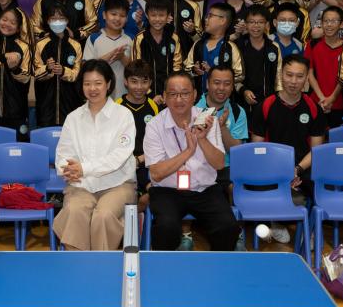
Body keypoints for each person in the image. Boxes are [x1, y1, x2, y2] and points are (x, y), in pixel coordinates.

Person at [143, 71, 239, 251]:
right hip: (167, 190)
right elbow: (156, 173)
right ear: (164, 96)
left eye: (185, 93)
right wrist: (188, 151)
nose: (179, 100)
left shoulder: (207, 119)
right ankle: (165, 274)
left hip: (204, 189)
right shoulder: (154, 126)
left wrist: (202, 139)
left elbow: (219, 164)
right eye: (173, 94)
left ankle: (217, 271)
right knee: (166, 228)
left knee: (227, 227)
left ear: (194, 95)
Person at [54, 59, 137, 250]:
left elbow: (120, 155)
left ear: (108, 84)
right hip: (81, 184)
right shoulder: (73, 118)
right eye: (87, 83)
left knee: (103, 215)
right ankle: (78, 267)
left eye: (98, 83)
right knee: (74, 211)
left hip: (118, 184)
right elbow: (64, 153)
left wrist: (84, 168)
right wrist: (68, 170)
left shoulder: (123, 115)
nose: (93, 88)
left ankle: (103, 268)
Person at [250, 54, 326, 241]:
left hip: (302, 166)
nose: (293, 81)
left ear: (307, 77)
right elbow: (257, 150)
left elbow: (316, 151)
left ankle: (309, 231)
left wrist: (297, 170)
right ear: (280, 75)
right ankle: (275, 222)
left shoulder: (314, 108)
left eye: (299, 76)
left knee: (320, 182)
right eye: (289, 75)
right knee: (257, 182)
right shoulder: (265, 106)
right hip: (270, 167)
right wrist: (282, 173)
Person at [0, 8, 33, 140]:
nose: (7, 24)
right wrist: (2, 58)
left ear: (19, 27)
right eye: (4, 20)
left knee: (19, 145)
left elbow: (26, 77)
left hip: (16, 107)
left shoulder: (24, 46)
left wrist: (15, 69)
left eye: (13, 23)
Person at [33, 3, 83, 127]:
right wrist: (47, 69)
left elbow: (78, 74)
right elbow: (36, 73)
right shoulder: (40, 45)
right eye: (53, 19)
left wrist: (64, 71)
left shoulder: (75, 45)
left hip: (70, 103)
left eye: (61, 18)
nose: (57, 22)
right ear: (48, 21)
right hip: (45, 104)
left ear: (67, 20)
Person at [116, 59, 159, 205]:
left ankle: (140, 208)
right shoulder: (116, 107)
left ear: (150, 83)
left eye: (144, 82)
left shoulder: (154, 107)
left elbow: (159, 142)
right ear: (126, 82)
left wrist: (140, 159)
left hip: (146, 163)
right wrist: (129, 161)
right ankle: (137, 207)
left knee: (156, 190)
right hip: (121, 165)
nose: (139, 87)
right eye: (134, 81)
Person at [235, 4, 282, 134]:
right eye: (252, 22)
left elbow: (279, 78)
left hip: (269, 102)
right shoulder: (238, 46)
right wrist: (243, 91)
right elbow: (232, 77)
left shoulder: (273, 47)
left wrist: (277, 101)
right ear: (246, 24)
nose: (256, 26)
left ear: (267, 24)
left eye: (260, 22)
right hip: (243, 102)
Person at [130, 0, 183, 102]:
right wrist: (150, 94)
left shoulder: (174, 38)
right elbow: (136, 70)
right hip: (145, 95)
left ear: (168, 16)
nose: (157, 19)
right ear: (147, 16)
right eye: (153, 15)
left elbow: (177, 68)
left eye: (161, 15)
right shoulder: (140, 39)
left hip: (169, 96)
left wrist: (170, 93)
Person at [185, 2, 243, 95]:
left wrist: (213, 73)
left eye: (210, 16)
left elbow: (239, 76)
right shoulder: (198, 44)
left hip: (223, 103)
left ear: (222, 20)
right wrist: (194, 70)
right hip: (199, 102)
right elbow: (186, 69)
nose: (206, 19)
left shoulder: (230, 48)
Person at [83, 0, 133, 100]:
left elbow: (136, 70)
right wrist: (109, 56)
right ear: (104, 15)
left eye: (122, 15)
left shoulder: (131, 39)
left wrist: (122, 58)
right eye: (113, 14)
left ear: (127, 18)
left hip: (125, 95)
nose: (117, 19)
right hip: (99, 96)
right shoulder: (93, 38)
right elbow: (86, 67)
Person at [306, 6, 343, 126]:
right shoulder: (312, 45)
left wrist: (331, 99)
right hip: (316, 101)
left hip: (340, 103)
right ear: (321, 23)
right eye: (326, 21)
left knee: (337, 141)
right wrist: (322, 98)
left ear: (342, 24)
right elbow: (309, 73)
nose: (329, 25)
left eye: (334, 21)